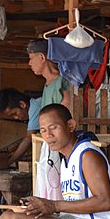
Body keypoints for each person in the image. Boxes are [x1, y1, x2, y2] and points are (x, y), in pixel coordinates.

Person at [0, 104, 110, 219]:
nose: (48, 135)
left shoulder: (87, 155)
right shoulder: (65, 159)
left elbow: (104, 201)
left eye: (53, 127)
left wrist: (54, 206)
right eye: (43, 130)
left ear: (70, 125)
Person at [27, 39, 72, 200]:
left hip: (60, 144)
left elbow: (66, 115)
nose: (29, 63)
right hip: (49, 144)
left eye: (31, 58)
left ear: (41, 57)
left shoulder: (63, 82)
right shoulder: (48, 84)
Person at [0, 88, 41, 165]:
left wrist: (8, 162)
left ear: (22, 104)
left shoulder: (35, 108)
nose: (16, 118)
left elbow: (28, 139)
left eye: (14, 113)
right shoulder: (34, 105)